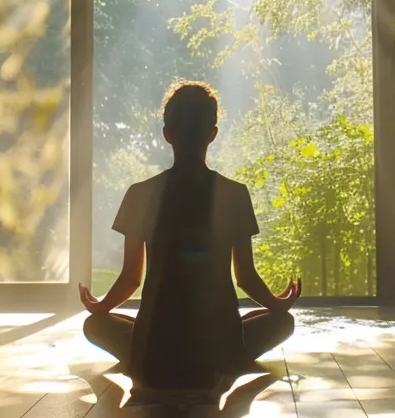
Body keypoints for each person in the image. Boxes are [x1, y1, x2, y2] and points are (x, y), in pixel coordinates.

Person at [79, 81, 301, 393]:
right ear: (213, 133)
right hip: (219, 348)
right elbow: (246, 278)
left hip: (154, 351)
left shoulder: (140, 194)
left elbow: (131, 279)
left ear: (167, 133)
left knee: (95, 326)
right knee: (281, 322)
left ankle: (149, 354)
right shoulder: (234, 194)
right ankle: (225, 358)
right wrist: (279, 304)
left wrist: (101, 307)